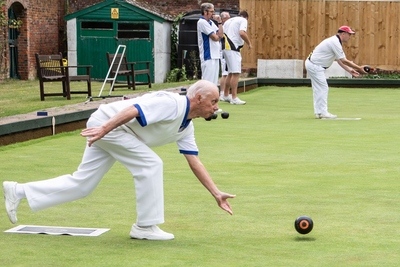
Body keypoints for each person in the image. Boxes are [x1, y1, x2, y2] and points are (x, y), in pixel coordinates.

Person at [3, 79, 236, 241]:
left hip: (113, 130)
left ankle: (18, 191)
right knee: (151, 164)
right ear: (198, 98)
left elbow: (194, 161)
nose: (215, 107)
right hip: (109, 126)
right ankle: (145, 227)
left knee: (82, 184)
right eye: (214, 101)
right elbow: (134, 109)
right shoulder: (172, 103)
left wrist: (216, 193)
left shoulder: (187, 127)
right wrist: (103, 129)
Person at [305, 25, 368, 119]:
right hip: (315, 66)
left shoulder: (336, 41)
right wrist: (359, 68)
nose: (350, 37)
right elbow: (344, 60)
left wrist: (350, 70)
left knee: (318, 89)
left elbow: (339, 60)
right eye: (349, 34)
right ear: (343, 34)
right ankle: (323, 112)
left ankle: (319, 112)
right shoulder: (334, 42)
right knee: (323, 88)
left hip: (313, 64)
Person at [221, 10, 252, 105]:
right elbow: (242, 33)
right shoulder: (243, 20)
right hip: (233, 48)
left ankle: (226, 95)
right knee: (236, 73)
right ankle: (234, 97)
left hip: (225, 47)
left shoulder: (229, 21)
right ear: (246, 17)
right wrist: (249, 43)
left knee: (230, 72)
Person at [197, 3, 224, 86]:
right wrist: (217, 36)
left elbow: (221, 35)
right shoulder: (202, 22)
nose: (213, 13)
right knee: (207, 83)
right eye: (212, 11)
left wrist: (219, 22)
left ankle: (213, 99)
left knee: (214, 83)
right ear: (205, 12)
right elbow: (215, 38)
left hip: (215, 55)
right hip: (208, 56)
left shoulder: (211, 22)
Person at [216, 11, 231, 98]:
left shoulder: (227, 26)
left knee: (227, 72)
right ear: (223, 19)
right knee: (225, 73)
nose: (229, 19)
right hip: (223, 50)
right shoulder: (222, 26)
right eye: (228, 17)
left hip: (227, 50)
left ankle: (225, 92)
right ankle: (222, 93)